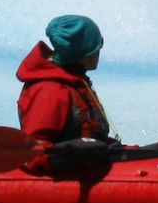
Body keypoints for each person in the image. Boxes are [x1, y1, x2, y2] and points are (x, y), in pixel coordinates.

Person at [17, 13, 114, 163]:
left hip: (89, 163)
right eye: (96, 46)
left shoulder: (75, 82)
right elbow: (35, 151)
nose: (98, 52)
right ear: (84, 51)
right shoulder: (50, 90)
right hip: (70, 169)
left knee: (156, 151)